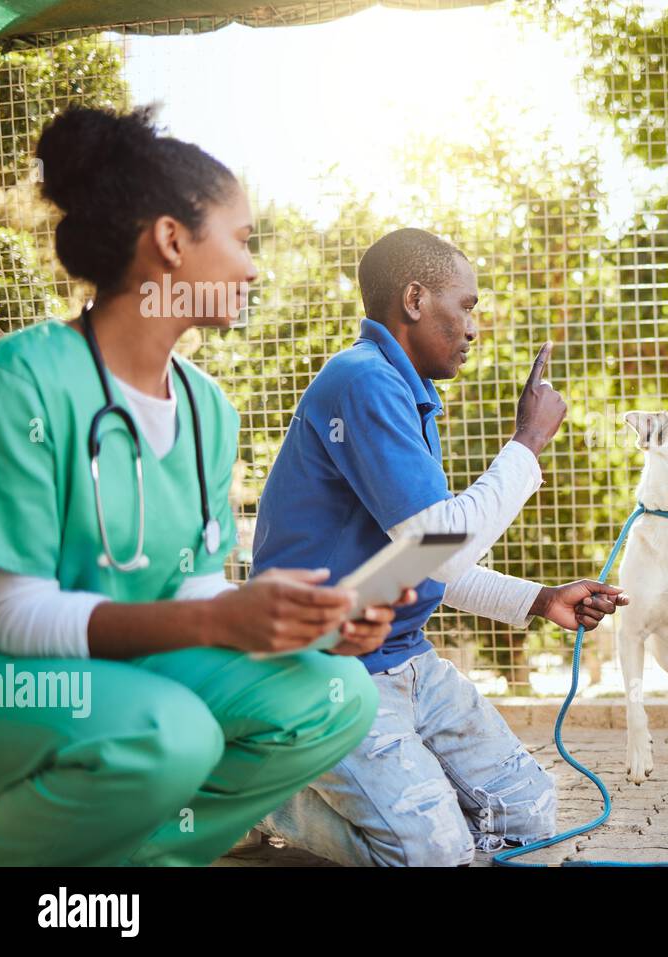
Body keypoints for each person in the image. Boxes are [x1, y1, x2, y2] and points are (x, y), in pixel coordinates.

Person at [0, 106, 405, 866]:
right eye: (242, 239)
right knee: (168, 733)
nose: (254, 267)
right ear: (171, 241)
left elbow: (192, 589)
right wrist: (217, 625)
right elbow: (11, 616)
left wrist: (307, 622)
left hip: (135, 676)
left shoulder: (209, 410)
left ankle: (136, 865)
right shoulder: (19, 381)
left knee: (337, 693)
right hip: (13, 683)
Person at [251, 227, 629, 866]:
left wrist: (538, 599)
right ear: (417, 298)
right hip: (321, 672)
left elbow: (422, 560)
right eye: (468, 304)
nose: (475, 326)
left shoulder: (404, 394)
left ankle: (399, 811)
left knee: (528, 814)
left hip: (404, 661)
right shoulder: (362, 381)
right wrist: (526, 443)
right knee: (432, 851)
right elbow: (443, 546)